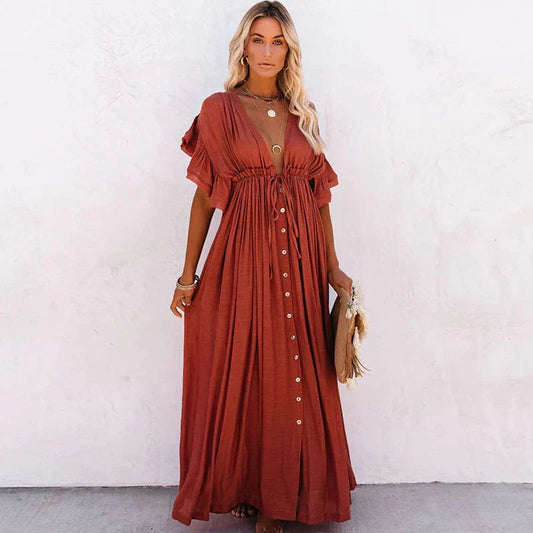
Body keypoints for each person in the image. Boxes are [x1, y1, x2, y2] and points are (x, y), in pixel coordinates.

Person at [170, 2, 356, 531]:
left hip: (299, 261)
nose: (268, 51)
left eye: (278, 41)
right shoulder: (219, 110)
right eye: (259, 40)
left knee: (297, 372)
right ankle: (258, 495)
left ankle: (290, 492)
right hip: (243, 259)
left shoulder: (305, 114)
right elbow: (205, 199)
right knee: (252, 372)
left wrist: (332, 269)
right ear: (243, 47)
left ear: (289, 49)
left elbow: (319, 199)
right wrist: (189, 275)